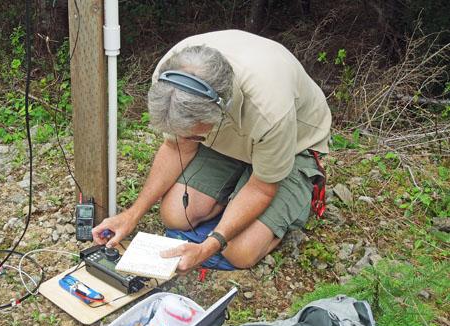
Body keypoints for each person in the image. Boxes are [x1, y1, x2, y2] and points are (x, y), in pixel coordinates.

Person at [92, 30, 331, 274]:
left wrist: (209, 246)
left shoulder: (269, 109)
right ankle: (236, 183)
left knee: (240, 251)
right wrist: (131, 215)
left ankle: (295, 193)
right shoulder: (170, 78)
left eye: (194, 135)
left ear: (220, 111)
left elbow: (262, 187)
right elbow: (175, 147)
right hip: (229, 139)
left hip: (293, 146)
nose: (186, 140)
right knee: (175, 215)